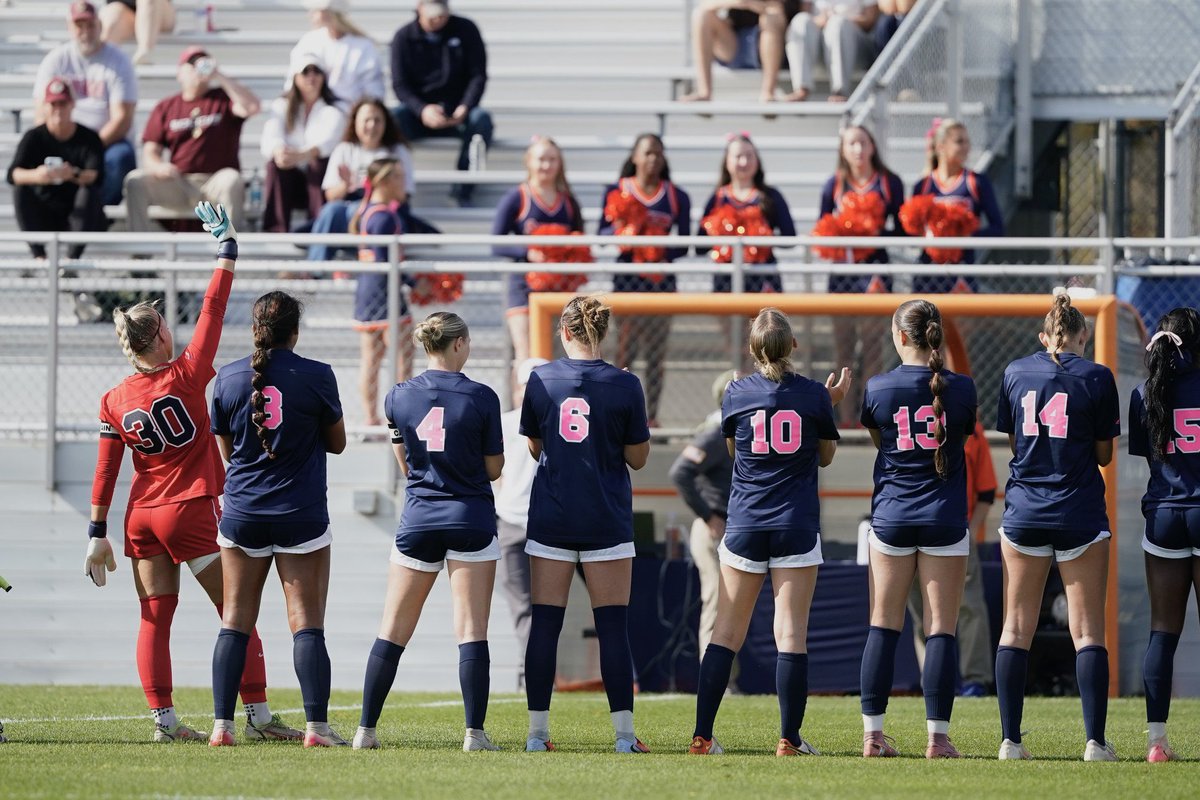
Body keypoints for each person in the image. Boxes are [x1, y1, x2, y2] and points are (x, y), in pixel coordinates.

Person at [84, 203, 298, 743]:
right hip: (190, 506)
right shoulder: (186, 373)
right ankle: (258, 717)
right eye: (164, 325)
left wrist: (95, 532)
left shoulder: (113, 398)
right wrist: (227, 250)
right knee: (236, 611)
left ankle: (164, 722)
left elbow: (107, 469)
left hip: (141, 517)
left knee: (154, 620)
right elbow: (213, 310)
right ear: (158, 335)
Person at [689, 310, 849, 757]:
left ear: (753, 349)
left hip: (746, 520)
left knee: (725, 632)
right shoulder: (814, 394)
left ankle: (703, 735)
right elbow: (826, 457)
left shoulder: (736, 392)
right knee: (791, 634)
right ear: (793, 344)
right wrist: (828, 404)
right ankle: (789, 739)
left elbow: (734, 450)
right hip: (795, 521)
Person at [354, 311, 505, 752]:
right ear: (458, 344)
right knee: (472, 630)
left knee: (392, 629)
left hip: (419, 517)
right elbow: (494, 468)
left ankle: (365, 731)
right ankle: (474, 735)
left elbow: (405, 463)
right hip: (470, 517)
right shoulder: (482, 397)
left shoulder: (398, 396)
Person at [208, 291, 347, 748]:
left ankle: (222, 727)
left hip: (243, 512)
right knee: (306, 621)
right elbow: (338, 443)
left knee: (235, 619)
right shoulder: (317, 375)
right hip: (300, 512)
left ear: (255, 329)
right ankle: (317, 729)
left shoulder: (227, 377)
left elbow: (228, 452)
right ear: (295, 332)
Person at [520, 296, 651, 753]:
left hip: (552, 515)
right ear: (604, 332)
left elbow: (535, 447)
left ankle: (537, 735)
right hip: (605, 517)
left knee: (544, 626)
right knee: (613, 627)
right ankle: (624, 737)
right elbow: (638, 458)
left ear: (564, 331)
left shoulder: (540, 379)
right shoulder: (625, 384)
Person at [993, 293, 1120, 762]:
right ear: (1083, 335)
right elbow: (1104, 454)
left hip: (1026, 509)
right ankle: (1095, 743)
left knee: (1015, 628)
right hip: (1078, 511)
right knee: (1087, 632)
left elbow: (1016, 443)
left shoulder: (1014, 372)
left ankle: (1010, 741)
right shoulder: (1097, 376)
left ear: (1044, 337)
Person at [858, 299, 977, 759]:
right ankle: (937, 739)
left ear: (901, 336)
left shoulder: (878, 387)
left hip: (893, 515)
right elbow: (960, 440)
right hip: (944, 515)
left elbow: (882, 442)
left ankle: (873, 736)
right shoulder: (961, 388)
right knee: (940, 629)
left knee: (883, 624)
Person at [1130, 308, 1200, 763]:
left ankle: (1157, 742)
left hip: (1164, 515)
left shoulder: (1145, 391)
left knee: (1162, 631)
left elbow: (1150, 458)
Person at [599, 133, 692, 426]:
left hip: (661, 283)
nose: (653, 158)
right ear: (635, 157)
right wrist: (626, 232)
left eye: (658, 153)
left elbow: (684, 245)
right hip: (627, 280)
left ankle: (651, 417)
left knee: (655, 354)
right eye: (647, 153)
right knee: (625, 350)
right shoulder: (617, 191)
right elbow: (601, 234)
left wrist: (656, 246)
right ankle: (618, 415)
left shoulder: (676, 196)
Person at [817, 125, 904, 426]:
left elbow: (902, 230)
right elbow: (822, 228)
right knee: (843, 346)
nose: (858, 149)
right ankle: (844, 420)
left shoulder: (889, 182)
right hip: (842, 272)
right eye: (851, 143)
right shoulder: (834, 185)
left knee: (872, 347)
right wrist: (842, 233)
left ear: (872, 146)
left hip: (875, 270)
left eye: (863, 142)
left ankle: (871, 418)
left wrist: (872, 234)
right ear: (843, 149)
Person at [905, 417, 996, 696]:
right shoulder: (901, 412)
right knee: (921, 611)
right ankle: (932, 679)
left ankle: (975, 679)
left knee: (969, 605)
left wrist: (971, 531)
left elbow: (986, 491)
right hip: (909, 527)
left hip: (955, 529)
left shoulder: (970, 426)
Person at [124, 47, 260, 233]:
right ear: (179, 72)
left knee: (232, 179)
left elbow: (252, 107)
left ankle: (229, 245)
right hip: (179, 182)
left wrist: (219, 75)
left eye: (203, 63)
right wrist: (158, 166)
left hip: (215, 182)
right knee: (135, 181)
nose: (198, 68)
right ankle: (140, 246)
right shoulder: (167, 106)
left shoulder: (223, 98)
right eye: (193, 64)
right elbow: (150, 151)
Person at [491, 136, 585, 373]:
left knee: (556, 356)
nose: (547, 165)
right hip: (523, 287)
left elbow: (580, 243)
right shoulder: (518, 197)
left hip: (558, 288)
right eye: (541, 159)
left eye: (553, 159)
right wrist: (528, 252)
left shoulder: (568, 201)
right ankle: (522, 397)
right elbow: (496, 243)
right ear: (529, 161)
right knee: (526, 355)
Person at [390, 0, 493, 205]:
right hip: (418, 115)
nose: (438, 20)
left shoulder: (466, 30)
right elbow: (400, 85)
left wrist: (465, 106)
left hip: (458, 113)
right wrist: (422, 110)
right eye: (432, 16)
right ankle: (395, 190)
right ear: (419, 9)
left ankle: (463, 188)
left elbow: (478, 76)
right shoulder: (403, 37)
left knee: (481, 120)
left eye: (442, 15)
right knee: (392, 120)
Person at [35, 1, 137, 207]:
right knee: (33, 153)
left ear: (100, 25)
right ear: (69, 28)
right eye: (79, 25)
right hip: (64, 138)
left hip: (105, 142)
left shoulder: (118, 60)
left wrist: (88, 149)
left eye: (90, 25)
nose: (85, 31)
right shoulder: (55, 60)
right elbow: (42, 112)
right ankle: (59, 212)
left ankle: (99, 213)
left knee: (120, 158)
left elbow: (122, 119)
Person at [669, 370, 735, 662]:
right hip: (714, 528)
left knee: (731, 605)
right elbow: (680, 472)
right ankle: (713, 675)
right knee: (718, 600)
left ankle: (727, 676)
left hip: (731, 528)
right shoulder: (716, 433)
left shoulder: (734, 430)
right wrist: (708, 516)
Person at [348, 158, 420, 426]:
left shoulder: (369, 211)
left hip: (369, 290)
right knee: (403, 354)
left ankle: (372, 418)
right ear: (385, 181)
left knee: (373, 358)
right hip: (384, 291)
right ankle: (400, 415)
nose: (404, 184)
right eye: (399, 177)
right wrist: (415, 283)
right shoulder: (383, 216)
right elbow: (385, 260)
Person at [493, 356, 550, 688]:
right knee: (530, 608)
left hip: (539, 522)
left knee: (534, 608)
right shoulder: (506, 422)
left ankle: (533, 675)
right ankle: (533, 676)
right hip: (518, 521)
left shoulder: (550, 422)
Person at [307, 98, 417, 262]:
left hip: (383, 209)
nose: (372, 125)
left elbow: (403, 195)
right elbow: (331, 196)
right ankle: (315, 269)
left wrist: (374, 199)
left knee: (374, 215)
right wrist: (345, 185)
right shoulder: (344, 149)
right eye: (366, 120)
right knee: (331, 210)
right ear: (355, 123)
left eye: (377, 120)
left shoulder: (398, 151)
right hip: (350, 209)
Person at [6, 78, 105, 259]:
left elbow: (96, 175)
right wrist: (39, 175)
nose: (58, 109)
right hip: (44, 212)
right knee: (20, 191)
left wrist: (72, 174)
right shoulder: (33, 137)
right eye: (53, 104)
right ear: (45, 106)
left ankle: (72, 260)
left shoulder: (89, 138)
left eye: (63, 103)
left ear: (72, 104)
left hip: (77, 215)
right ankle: (39, 256)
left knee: (88, 192)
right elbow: (13, 175)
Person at [909, 118, 1004, 293]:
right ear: (941, 147)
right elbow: (909, 232)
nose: (966, 147)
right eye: (959, 141)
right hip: (928, 274)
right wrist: (926, 234)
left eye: (967, 141)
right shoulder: (923, 185)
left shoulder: (976, 182)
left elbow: (997, 228)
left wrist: (966, 236)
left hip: (962, 272)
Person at [259, 52, 346, 234]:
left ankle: (318, 228)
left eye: (317, 71)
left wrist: (300, 156)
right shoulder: (281, 105)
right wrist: (279, 152)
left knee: (318, 163)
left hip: (319, 181)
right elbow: (270, 137)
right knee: (274, 165)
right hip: (292, 180)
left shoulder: (335, 108)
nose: (311, 77)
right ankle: (276, 230)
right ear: (295, 77)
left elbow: (328, 142)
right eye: (306, 72)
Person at [700, 133, 796, 294]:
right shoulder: (718, 198)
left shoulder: (771, 196)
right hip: (726, 280)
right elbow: (700, 246)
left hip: (763, 278)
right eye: (738, 156)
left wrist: (761, 236)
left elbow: (790, 238)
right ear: (727, 161)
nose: (744, 162)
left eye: (749, 156)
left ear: (757, 160)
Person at [681, 1, 801, 103]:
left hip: (771, 45)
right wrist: (742, 3)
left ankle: (768, 93)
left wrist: (757, 5)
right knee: (701, 15)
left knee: (772, 17)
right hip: (734, 44)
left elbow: (783, 8)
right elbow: (706, 4)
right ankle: (704, 92)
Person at [291, 0, 385, 110]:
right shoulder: (309, 41)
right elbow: (292, 81)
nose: (311, 14)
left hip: (349, 113)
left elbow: (374, 91)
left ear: (330, 12)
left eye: (317, 10)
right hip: (312, 113)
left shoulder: (363, 47)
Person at [785, 1, 880, 102]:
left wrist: (840, 20)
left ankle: (839, 91)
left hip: (856, 46)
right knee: (800, 20)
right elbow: (806, 12)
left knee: (838, 23)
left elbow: (870, 19)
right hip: (821, 44)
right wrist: (821, 21)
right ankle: (801, 88)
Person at [99, 0, 174, 65]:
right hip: (123, 8)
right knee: (111, 19)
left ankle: (144, 53)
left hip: (158, 9)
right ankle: (101, 62)